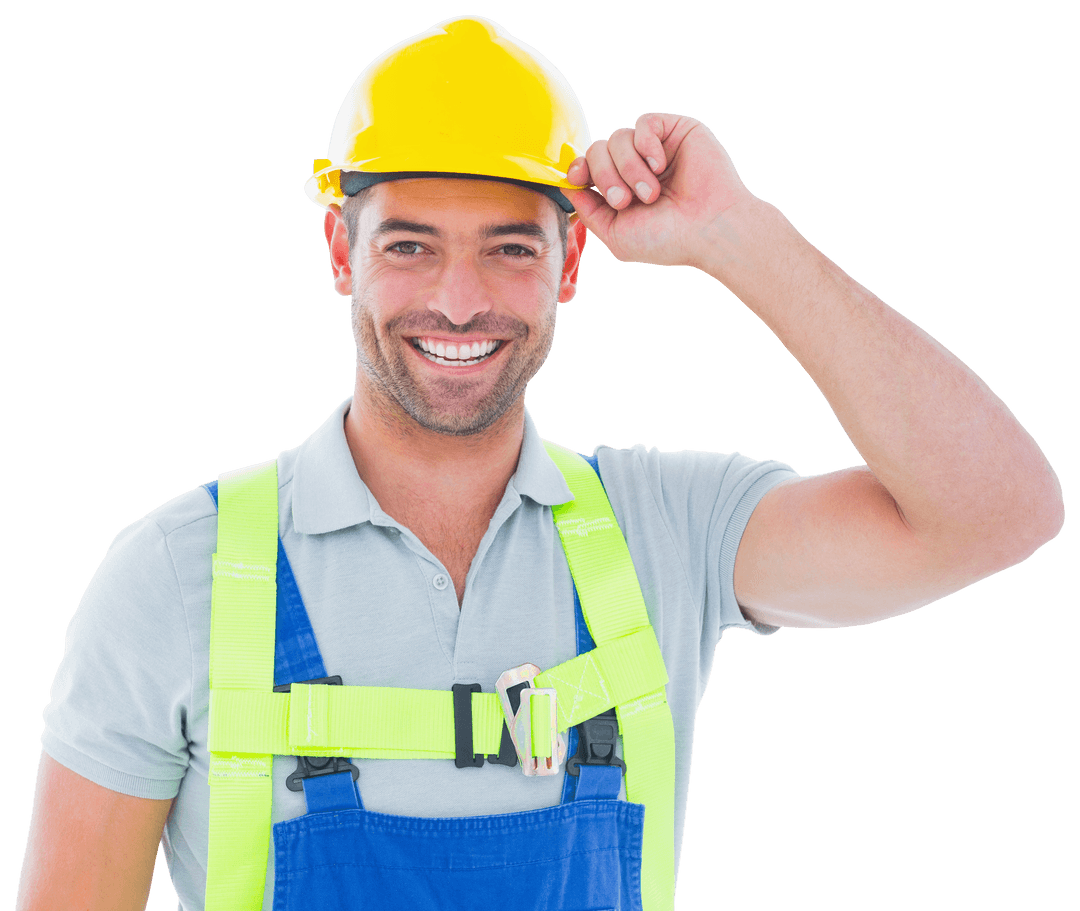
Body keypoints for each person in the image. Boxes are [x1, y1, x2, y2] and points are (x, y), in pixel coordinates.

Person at [15, 14, 1064, 911]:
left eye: (510, 246)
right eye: (409, 244)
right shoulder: (175, 574)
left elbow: (998, 510)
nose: (460, 301)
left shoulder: (668, 530)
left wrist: (737, 234)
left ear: (572, 261)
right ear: (342, 252)